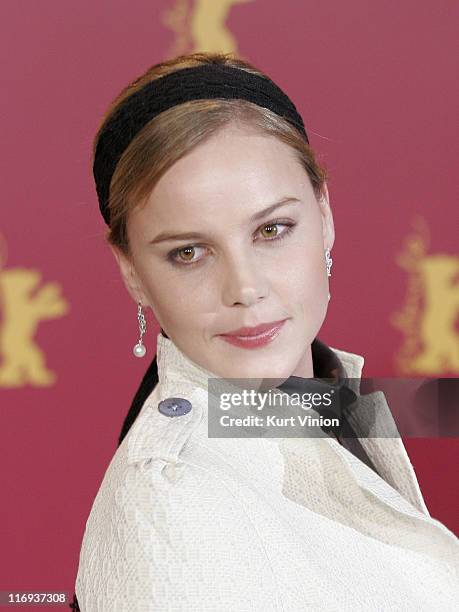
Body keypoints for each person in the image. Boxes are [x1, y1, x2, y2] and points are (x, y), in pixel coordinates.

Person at [71, 52, 458, 611]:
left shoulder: (327, 397)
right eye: (189, 252)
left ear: (324, 213)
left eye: (272, 229)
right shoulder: (173, 505)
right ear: (132, 270)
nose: (244, 288)